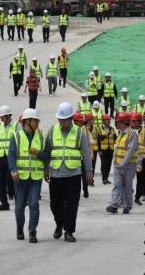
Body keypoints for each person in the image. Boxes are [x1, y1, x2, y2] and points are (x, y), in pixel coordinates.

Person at [43, 103, 93, 242]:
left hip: (73, 174)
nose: (62, 122)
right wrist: (46, 169)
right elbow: (47, 151)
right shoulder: (52, 131)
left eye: (64, 119)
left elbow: (86, 153)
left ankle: (69, 231)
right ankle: (59, 224)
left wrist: (89, 172)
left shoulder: (79, 132)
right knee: (55, 204)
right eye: (60, 119)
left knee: (72, 204)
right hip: (56, 173)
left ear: (71, 118)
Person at [9, 108, 49, 242]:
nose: (38, 123)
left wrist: (37, 153)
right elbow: (11, 155)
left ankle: (32, 232)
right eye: (35, 120)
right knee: (19, 206)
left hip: (36, 177)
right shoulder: (16, 136)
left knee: (33, 204)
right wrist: (13, 170)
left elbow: (46, 156)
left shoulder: (41, 137)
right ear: (27, 121)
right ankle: (19, 228)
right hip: (20, 177)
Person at [106, 112, 142, 214]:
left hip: (128, 165)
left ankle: (127, 206)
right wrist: (116, 163)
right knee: (117, 185)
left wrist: (124, 163)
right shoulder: (120, 134)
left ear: (124, 123)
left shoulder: (132, 134)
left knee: (127, 187)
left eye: (119, 122)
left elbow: (130, 151)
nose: (117, 124)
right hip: (118, 165)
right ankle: (114, 205)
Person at [93, 113, 116, 185]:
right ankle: (104, 178)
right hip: (102, 149)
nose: (108, 121)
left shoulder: (112, 129)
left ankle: (106, 178)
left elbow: (115, 138)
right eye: (107, 120)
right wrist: (99, 150)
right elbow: (97, 139)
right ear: (103, 121)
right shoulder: (99, 129)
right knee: (104, 164)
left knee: (109, 164)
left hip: (111, 149)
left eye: (109, 120)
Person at [133, 112, 145, 205]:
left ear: (139, 122)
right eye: (131, 121)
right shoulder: (128, 131)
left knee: (141, 179)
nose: (132, 123)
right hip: (130, 159)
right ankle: (123, 199)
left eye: (134, 121)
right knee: (126, 180)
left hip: (142, 159)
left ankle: (137, 197)